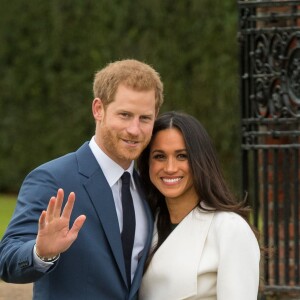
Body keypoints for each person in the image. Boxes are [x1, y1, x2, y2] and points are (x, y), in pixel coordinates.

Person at [0, 59, 164, 300]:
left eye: (145, 118)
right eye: (125, 115)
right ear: (98, 109)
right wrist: (40, 253)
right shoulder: (51, 179)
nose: (134, 130)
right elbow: (7, 261)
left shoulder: (148, 188)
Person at [137, 111, 261, 300]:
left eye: (182, 156)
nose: (170, 168)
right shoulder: (146, 223)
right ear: (147, 163)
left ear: (200, 161)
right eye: (160, 156)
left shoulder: (229, 228)